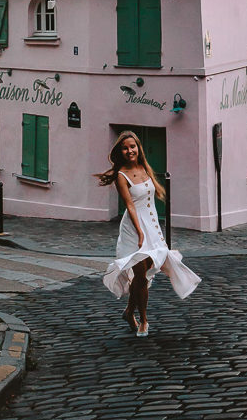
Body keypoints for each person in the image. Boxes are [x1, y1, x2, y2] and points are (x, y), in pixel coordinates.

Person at [96, 130, 201, 337]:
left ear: (138, 148)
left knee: (142, 277)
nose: (129, 151)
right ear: (120, 151)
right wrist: (139, 232)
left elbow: (151, 199)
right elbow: (130, 205)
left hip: (151, 227)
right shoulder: (121, 175)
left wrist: (152, 231)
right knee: (141, 276)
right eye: (125, 148)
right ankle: (143, 319)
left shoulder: (145, 168)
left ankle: (128, 311)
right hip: (133, 229)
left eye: (132, 147)